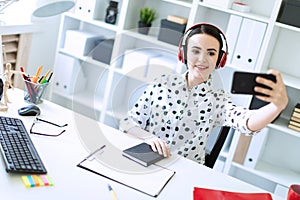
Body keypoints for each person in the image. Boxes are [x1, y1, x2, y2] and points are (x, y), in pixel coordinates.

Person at [119, 23, 288, 165]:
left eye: (211, 53)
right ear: (183, 54)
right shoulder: (161, 83)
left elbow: (247, 121)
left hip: (185, 171)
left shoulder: (219, 101)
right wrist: (148, 138)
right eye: (195, 51)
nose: (202, 59)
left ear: (219, 60)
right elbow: (127, 123)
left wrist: (276, 106)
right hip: (145, 162)